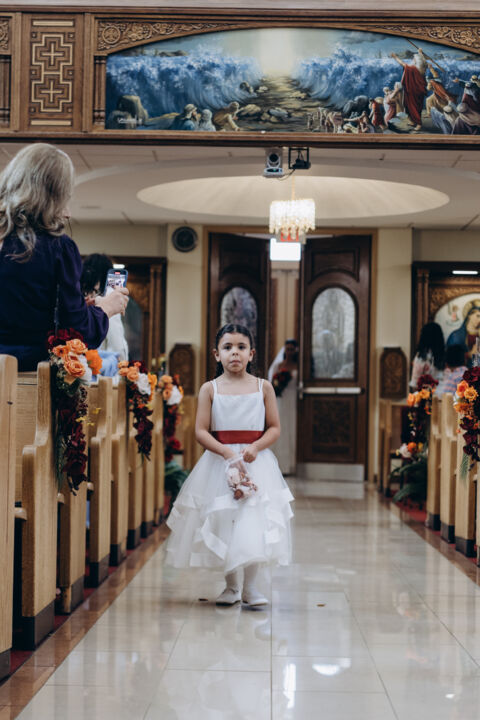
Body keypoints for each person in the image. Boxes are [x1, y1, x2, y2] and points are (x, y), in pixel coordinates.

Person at [165, 323, 293, 607]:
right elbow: (201, 431)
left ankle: (251, 588)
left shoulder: (263, 387)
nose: (234, 353)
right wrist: (224, 452)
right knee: (226, 521)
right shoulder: (210, 389)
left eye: (241, 347)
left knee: (253, 521)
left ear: (251, 354)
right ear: (216, 354)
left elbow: (274, 427)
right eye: (227, 347)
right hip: (220, 462)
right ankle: (231, 586)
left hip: (254, 461)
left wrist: (256, 447)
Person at [0, 143, 128, 371]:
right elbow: (76, 334)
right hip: (25, 375)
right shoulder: (57, 248)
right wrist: (106, 308)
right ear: (55, 196)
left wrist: (83, 308)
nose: (67, 212)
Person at [81, 253, 129, 364]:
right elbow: (117, 343)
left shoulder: (79, 300)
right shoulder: (110, 298)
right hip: (98, 366)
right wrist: (123, 362)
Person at [268, 339, 298, 475]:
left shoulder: (298, 366)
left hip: (293, 400)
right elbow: (272, 383)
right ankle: (278, 464)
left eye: (292, 349)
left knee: (292, 428)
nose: (289, 352)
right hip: (281, 400)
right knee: (281, 428)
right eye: (288, 349)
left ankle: (290, 465)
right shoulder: (279, 365)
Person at [391, 48, 428, 130]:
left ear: (416, 61)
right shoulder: (422, 69)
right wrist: (420, 53)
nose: (412, 60)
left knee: (413, 108)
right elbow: (423, 62)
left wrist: (395, 57)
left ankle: (418, 124)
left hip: (412, 92)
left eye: (413, 59)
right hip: (417, 92)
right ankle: (412, 121)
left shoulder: (412, 68)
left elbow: (402, 64)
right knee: (412, 107)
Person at [409, 321, 445, 390]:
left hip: (426, 393)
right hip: (443, 393)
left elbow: (415, 383)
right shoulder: (444, 356)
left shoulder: (422, 357)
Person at [446, 299, 480, 365]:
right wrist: (468, 355)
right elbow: (450, 357)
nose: (479, 320)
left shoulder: (478, 336)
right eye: (478, 316)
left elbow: (476, 361)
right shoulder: (456, 336)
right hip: (459, 370)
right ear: (469, 315)